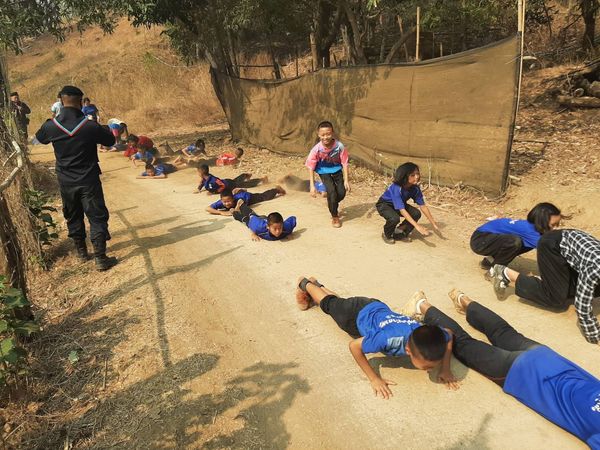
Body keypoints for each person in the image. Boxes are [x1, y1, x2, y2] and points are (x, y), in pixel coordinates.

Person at [406, 289, 600, 447]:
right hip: (517, 371)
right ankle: (422, 305)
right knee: (464, 345)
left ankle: (463, 299)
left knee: (502, 331)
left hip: (544, 357)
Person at [295, 278, 457, 399]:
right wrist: (374, 379)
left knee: (337, 303)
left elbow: (448, 334)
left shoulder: (428, 332)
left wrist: (445, 368)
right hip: (354, 316)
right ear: (408, 350)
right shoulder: (387, 339)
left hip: (376, 307)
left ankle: (318, 285)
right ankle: (305, 283)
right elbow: (354, 346)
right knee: (329, 305)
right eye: (427, 366)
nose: (430, 369)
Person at [34, 85, 117, 271]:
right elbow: (111, 141)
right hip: (89, 179)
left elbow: (40, 138)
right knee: (96, 216)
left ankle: (81, 253)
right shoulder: (89, 126)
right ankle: (100, 258)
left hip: (65, 180)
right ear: (81, 102)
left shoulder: (51, 126)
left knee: (73, 215)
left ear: (60, 101)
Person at [487, 229, 600, 344]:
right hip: (551, 246)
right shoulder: (595, 267)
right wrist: (595, 336)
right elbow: (582, 305)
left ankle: (552, 281)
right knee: (555, 298)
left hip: (569, 245)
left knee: (593, 288)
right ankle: (505, 273)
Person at [471, 203, 561, 270]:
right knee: (514, 242)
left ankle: (490, 261)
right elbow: (553, 252)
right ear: (542, 221)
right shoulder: (531, 231)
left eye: (557, 224)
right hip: (480, 239)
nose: (555, 228)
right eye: (553, 225)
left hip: (490, 238)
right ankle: (495, 271)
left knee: (526, 243)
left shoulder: (534, 229)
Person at [376, 162, 440, 245]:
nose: (417, 177)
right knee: (394, 218)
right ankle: (387, 234)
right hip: (384, 204)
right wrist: (417, 226)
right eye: (412, 175)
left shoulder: (415, 188)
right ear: (404, 176)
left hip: (399, 205)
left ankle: (399, 232)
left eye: (417, 174)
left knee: (416, 213)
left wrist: (433, 223)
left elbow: (422, 206)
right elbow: (401, 209)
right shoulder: (396, 188)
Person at [305, 121, 350, 228]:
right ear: (318, 135)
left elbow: (345, 162)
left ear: (333, 133)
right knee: (332, 192)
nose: (326, 137)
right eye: (323, 135)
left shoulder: (339, 146)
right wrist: (312, 186)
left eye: (328, 134)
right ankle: (335, 217)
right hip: (323, 172)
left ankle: (331, 202)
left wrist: (346, 180)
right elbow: (311, 166)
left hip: (337, 171)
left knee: (341, 193)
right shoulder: (316, 149)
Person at [206, 186, 286, 216]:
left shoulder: (239, 200)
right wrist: (221, 212)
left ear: (233, 199)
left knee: (263, 197)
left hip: (247, 197)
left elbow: (236, 212)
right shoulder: (222, 202)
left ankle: (276, 189)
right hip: (239, 195)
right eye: (224, 202)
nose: (226, 203)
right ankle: (240, 190)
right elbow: (208, 208)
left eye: (228, 201)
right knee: (238, 194)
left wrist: (233, 210)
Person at [194, 164, 267, 194]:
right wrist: (198, 189)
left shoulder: (213, 180)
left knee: (244, 184)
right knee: (236, 181)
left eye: (198, 172)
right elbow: (202, 183)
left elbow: (222, 185)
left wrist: (214, 192)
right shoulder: (204, 178)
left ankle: (261, 179)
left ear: (202, 172)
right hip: (227, 181)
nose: (197, 174)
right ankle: (245, 175)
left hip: (228, 184)